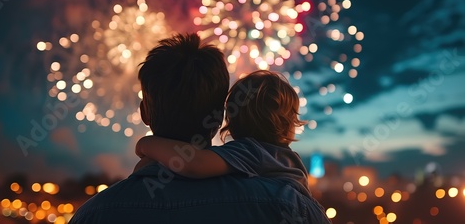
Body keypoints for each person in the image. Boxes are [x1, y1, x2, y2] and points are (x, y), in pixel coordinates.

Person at [70, 34, 330, 224]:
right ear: (219, 117)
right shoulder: (295, 208)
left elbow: (193, 163)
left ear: (144, 113)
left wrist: (145, 145)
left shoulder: (95, 214)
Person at [135, 70, 321, 203]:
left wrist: (147, 144)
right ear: (289, 124)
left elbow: (194, 163)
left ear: (232, 123)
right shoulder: (290, 160)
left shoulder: (251, 151)